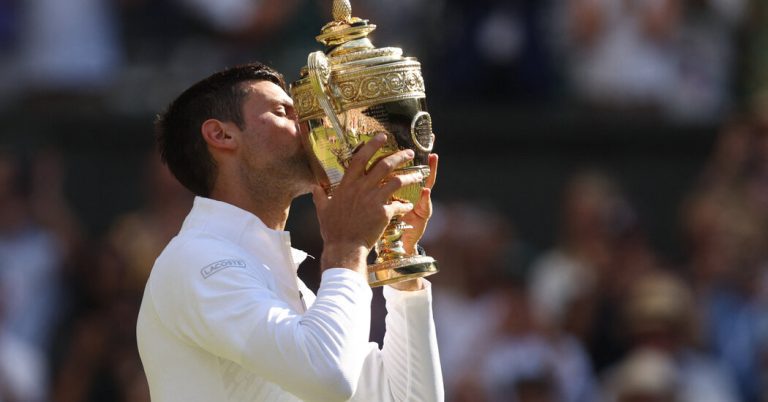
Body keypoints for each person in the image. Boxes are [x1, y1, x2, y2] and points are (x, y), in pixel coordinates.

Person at [136, 62, 444, 402]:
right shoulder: (196, 260)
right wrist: (347, 246)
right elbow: (329, 378)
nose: (310, 126)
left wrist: (401, 265)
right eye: (283, 112)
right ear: (221, 135)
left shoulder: (286, 287)